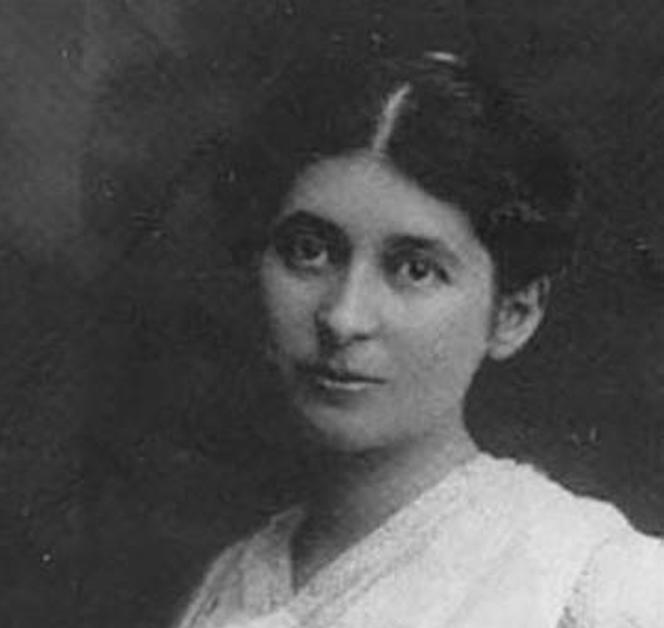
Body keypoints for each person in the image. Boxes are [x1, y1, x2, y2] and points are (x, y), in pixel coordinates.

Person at [175, 51, 664, 628]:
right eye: (310, 251)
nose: (344, 317)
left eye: (415, 269)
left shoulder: (586, 580)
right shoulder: (233, 580)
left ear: (513, 313)